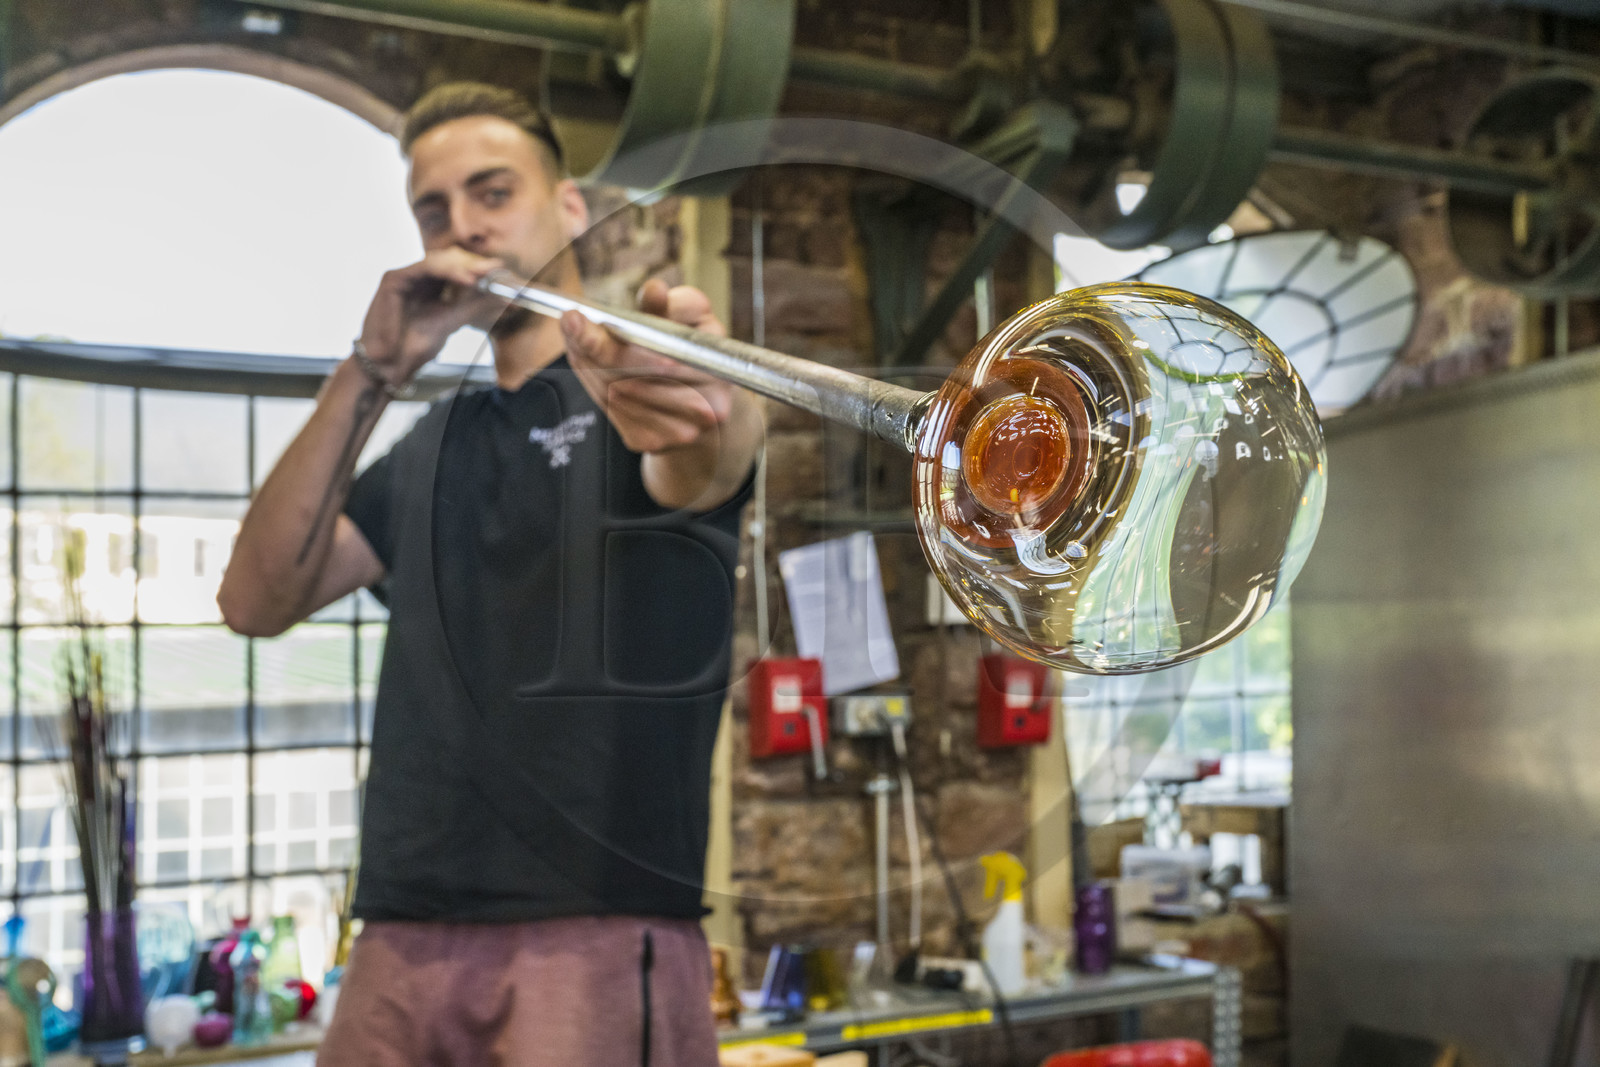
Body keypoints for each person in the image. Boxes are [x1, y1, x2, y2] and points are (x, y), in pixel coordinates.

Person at [218, 82, 763, 1066]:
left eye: (492, 191)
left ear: (568, 208)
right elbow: (255, 600)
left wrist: (710, 407)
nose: (461, 227)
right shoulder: (433, 444)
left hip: (591, 928)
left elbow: (703, 451)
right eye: (435, 210)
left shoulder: (637, 390)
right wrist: (370, 368)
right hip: (400, 929)